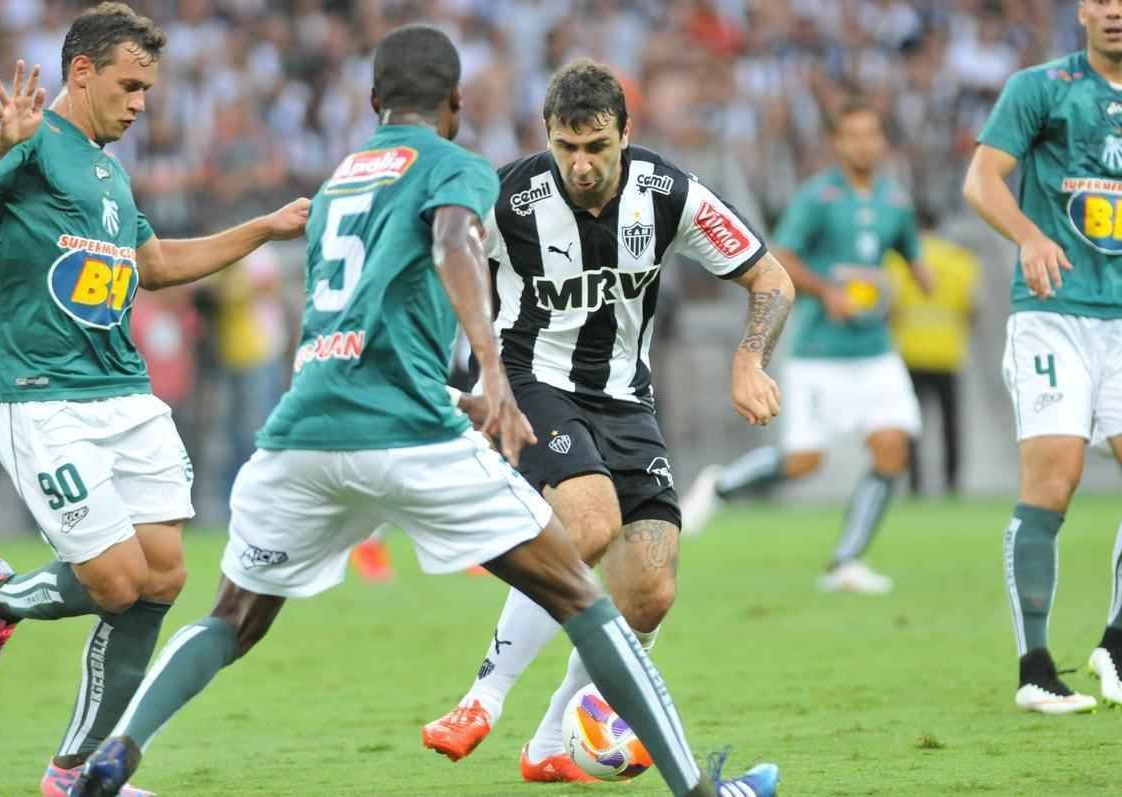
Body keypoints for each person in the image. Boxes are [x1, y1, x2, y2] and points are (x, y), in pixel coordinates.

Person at [70, 25, 780, 797]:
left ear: (374, 102)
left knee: (228, 618)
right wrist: (491, 372)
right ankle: (690, 787)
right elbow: (451, 241)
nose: (578, 162)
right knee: (580, 589)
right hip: (409, 426)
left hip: (301, 428)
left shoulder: (345, 177)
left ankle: (112, 754)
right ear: (456, 105)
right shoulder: (461, 168)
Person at [0, 4, 310, 794]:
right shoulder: (31, 139)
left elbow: (158, 262)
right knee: (112, 580)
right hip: (43, 395)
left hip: (123, 392)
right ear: (82, 72)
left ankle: (70, 773)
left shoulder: (110, 172)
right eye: (131, 85)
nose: (142, 102)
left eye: (149, 88)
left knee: (163, 577)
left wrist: (265, 228)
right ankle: (0, 596)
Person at [423, 58, 795, 782]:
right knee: (588, 520)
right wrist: (458, 375)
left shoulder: (666, 193)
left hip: (626, 396)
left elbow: (769, 277)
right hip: (531, 380)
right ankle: (483, 696)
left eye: (597, 147)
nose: (582, 165)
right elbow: (443, 270)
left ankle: (550, 743)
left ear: (626, 134)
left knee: (650, 590)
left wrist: (750, 358)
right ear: (548, 138)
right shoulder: (511, 198)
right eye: (567, 147)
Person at [679, 98, 931, 596]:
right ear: (838, 143)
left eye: (872, 135)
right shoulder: (819, 197)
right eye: (853, 135)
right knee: (804, 461)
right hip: (822, 350)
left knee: (892, 446)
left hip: (875, 349)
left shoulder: (894, 200)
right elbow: (782, 258)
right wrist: (828, 291)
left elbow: (906, 249)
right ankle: (721, 486)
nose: (865, 145)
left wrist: (920, 275)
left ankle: (845, 561)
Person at [962, 0, 1122, 715]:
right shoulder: (1041, 87)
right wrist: (1028, 234)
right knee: (1054, 482)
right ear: (1083, 11)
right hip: (1054, 314)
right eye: (1104, 0)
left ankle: (1115, 644)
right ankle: (1035, 668)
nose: (1116, 12)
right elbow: (982, 179)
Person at [885, 230, 981, 496]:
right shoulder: (960, 259)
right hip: (948, 353)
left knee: (912, 424)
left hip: (911, 351)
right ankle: (952, 482)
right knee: (951, 424)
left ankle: (915, 483)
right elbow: (972, 309)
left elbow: (891, 306)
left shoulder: (899, 260)